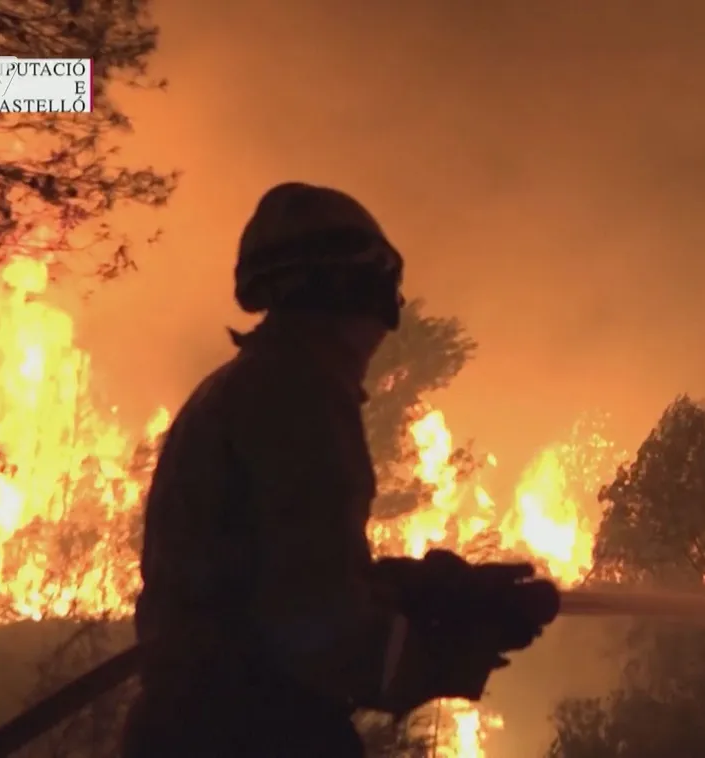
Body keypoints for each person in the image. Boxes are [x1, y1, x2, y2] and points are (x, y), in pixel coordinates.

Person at [122, 183, 547, 757]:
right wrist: (460, 648)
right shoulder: (299, 401)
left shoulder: (241, 388)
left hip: (193, 724)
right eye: (384, 294)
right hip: (251, 735)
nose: (389, 324)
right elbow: (319, 629)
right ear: (344, 292)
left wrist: (434, 590)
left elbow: (292, 570)